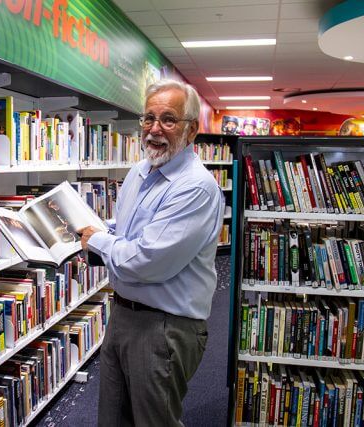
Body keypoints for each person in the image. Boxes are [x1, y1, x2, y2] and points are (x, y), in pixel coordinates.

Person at [78, 79, 224, 426]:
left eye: (169, 120)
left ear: (191, 131)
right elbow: (129, 234)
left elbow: (147, 261)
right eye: (148, 118)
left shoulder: (196, 187)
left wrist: (96, 240)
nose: (155, 129)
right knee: (113, 419)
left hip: (164, 327)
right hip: (123, 316)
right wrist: (100, 230)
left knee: (153, 421)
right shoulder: (138, 172)